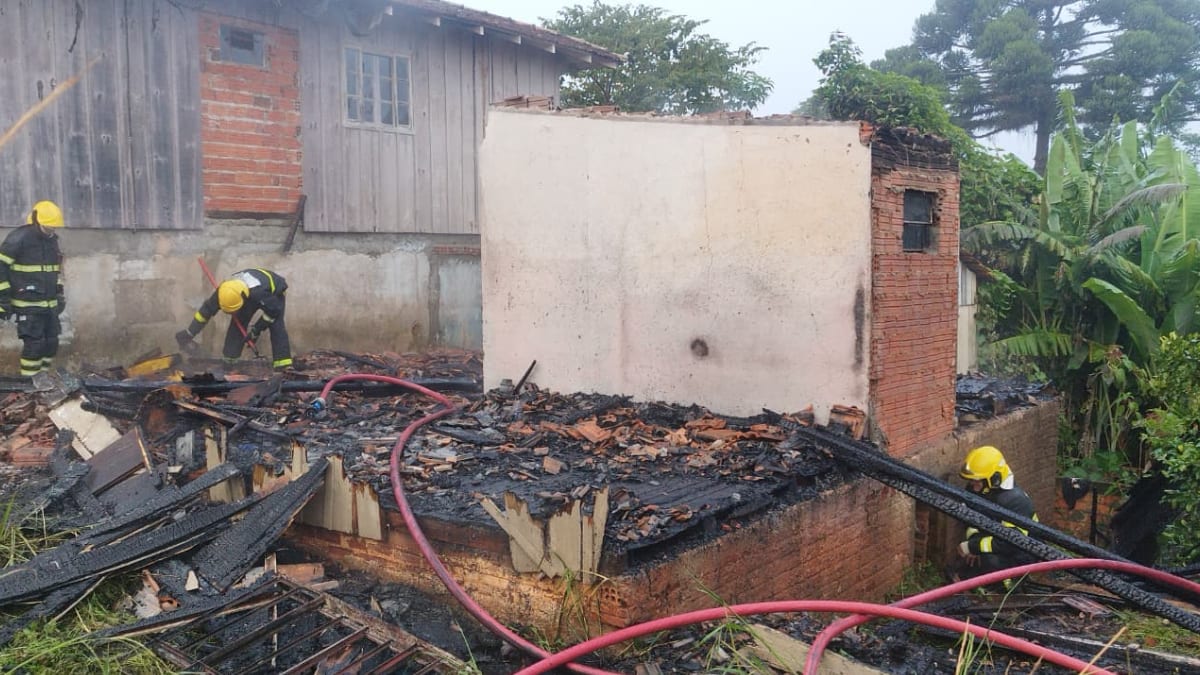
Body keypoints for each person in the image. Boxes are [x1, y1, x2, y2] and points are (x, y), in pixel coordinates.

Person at [955, 445, 1039, 590]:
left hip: (1020, 553)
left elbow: (1012, 542)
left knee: (990, 561)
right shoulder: (980, 490)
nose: (973, 486)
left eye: (977, 481)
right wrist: (974, 544)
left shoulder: (1016, 501)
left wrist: (973, 547)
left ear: (994, 478)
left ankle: (1011, 585)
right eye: (971, 481)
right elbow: (971, 521)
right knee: (963, 567)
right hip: (994, 542)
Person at [176, 268, 292, 370]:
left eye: (234, 310)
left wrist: (256, 330)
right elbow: (204, 313)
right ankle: (230, 362)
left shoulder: (259, 293)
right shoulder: (223, 292)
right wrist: (190, 332)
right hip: (245, 292)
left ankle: (283, 365)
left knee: (276, 325)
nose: (232, 313)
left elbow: (273, 312)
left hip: (274, 292)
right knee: (237, 324)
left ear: (242, 299)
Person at [0, 201, 66, 376]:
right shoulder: (18, 239)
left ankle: (42, 379)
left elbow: (55, 270)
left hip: (49, 304)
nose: (52, 231)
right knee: (34, 345)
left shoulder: (52, 241)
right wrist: (3, 300)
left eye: (54, 228)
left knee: (51, 343)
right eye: (48, 227)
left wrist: (59, 294)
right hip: (27, 304)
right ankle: (30, 384)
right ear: (37, 221)